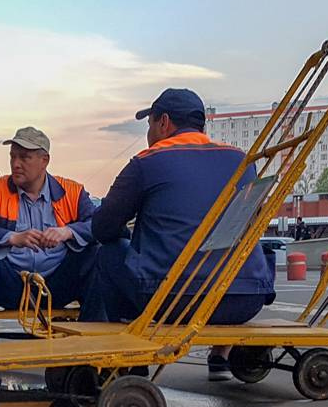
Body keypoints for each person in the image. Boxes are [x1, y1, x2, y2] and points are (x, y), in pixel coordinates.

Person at [84, 88, 275, 380]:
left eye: (149, 124)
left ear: (163, 123)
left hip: (173, 300)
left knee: (109, 252)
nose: (149, 132)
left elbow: (102, 228)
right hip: (244, 299)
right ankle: (221, 357)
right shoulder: (242, 161)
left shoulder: (147, 162)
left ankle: (130, 361)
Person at [0, 127, 100, 342]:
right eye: (12, 156)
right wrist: (11, 238)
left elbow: (100, 225)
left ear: (45, 160)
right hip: (11, 285)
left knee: (99, 253)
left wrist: (67, 232)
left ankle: (94, 335)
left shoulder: (72, 192)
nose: (16, 164)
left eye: (24, 157)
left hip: (58, 284)